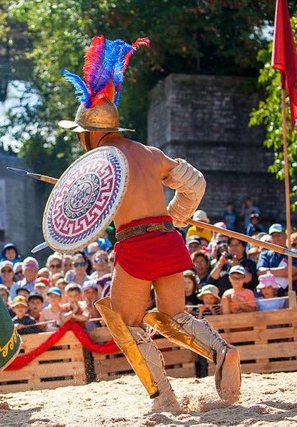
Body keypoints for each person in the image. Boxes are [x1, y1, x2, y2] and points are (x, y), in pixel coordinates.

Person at [58, 35, 240, 412]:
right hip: (167, 241)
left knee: (123, 321)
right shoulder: (150, 153)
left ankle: (164, 398)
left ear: (90, 133)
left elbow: (91, 212)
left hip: (137, 248)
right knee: (174, 315)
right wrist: (173, 218)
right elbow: (196, 184)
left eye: (81, 136)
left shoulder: (102, 161)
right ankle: (221, 352)